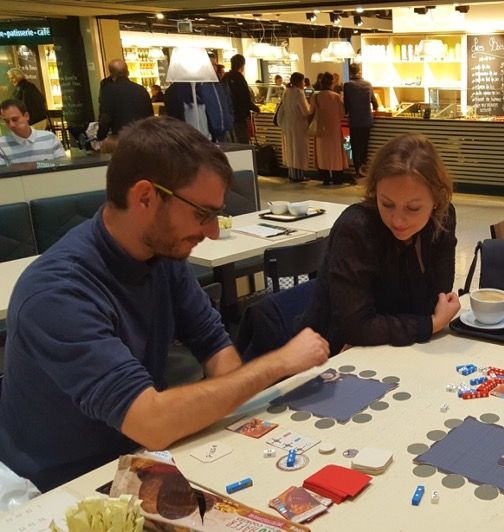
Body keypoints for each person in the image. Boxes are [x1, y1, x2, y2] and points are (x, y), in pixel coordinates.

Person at [0, 116, 330, 491]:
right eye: (202, 214)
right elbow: (152, 423)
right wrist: (279, 362)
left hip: (141, 457)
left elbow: (215, 347)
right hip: (59, 486)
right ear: (145, 197)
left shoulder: (160, 255)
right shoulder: (58, 293)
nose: (211, 232)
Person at [299, 133, 460, 356]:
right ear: (374, 192)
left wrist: (393, 326)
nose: (398, 221)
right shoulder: (356, 228)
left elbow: (438, 299)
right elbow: (356, 328)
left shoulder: (443, 218)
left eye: (413, 208)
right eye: (387, 204)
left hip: (401, 351)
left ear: (437, 200)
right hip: (331, 355)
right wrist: (430, 324)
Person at [96, 59, 152, 143]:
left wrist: (101, 135)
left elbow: (105, 117)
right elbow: (150, 115)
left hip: (121, 137)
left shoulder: (108, 91)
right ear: (127, 72)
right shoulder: (141, 89)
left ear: (111, 74)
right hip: (142, 136)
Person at [0, 99, 66, 165]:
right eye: (7, 121)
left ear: (26, 116)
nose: (11, 125)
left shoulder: (50, 138)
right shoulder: (2, 145)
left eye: (15, 119)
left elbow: (63, 165)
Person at [310, 72, 347, 185]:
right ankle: (337, 177)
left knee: (322, 153)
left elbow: (311, 111)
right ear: (332, 83)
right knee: (335, 153)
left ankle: (325, 177)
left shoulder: (316, 96)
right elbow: (342, 113)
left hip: (321, 128)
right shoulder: (336, 96)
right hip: (334, 129)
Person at [343, 63, 379, 177]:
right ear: (360, 71)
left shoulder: (347, 85)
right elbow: (375, 103)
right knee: (364, 147)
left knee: (355, 147)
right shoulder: (368, 84)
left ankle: (358, 171)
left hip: (354, 121)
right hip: (366, 121)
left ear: (350, 72)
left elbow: (346, 105)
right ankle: (364, 170)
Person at [278, 72, 310, 182]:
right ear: (299, 81)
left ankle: (292, 174)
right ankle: (299, 175)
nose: (304, 83)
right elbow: (305, 111)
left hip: (287, 125)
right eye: (303, 81)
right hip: (298, 125)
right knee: (299, 150)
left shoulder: (286, 91)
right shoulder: (299, 93)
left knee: (290, 149)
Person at [222, 54, 260, 144]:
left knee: (232, 142)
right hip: (240, 116)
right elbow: (245, 98)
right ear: (242, 65)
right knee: (242, 141)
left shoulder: (225, 78)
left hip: (227, 116)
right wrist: (255, 108)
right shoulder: (239, 78)